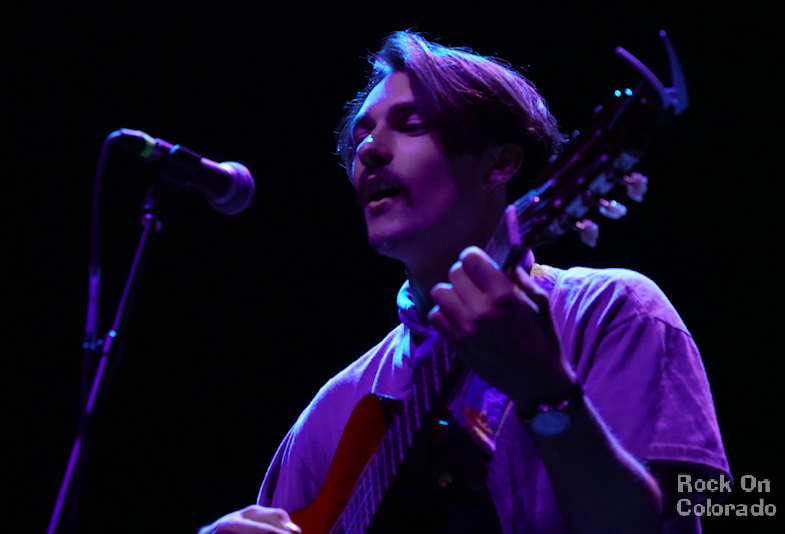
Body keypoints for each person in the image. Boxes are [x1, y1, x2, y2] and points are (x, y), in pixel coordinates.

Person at [200, 31, 729, 534]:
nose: (369, 150)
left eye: (411, 125)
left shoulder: (613, 312)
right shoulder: (333, 412)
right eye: (361, 134)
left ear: (499, 164)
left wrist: (548, 394)